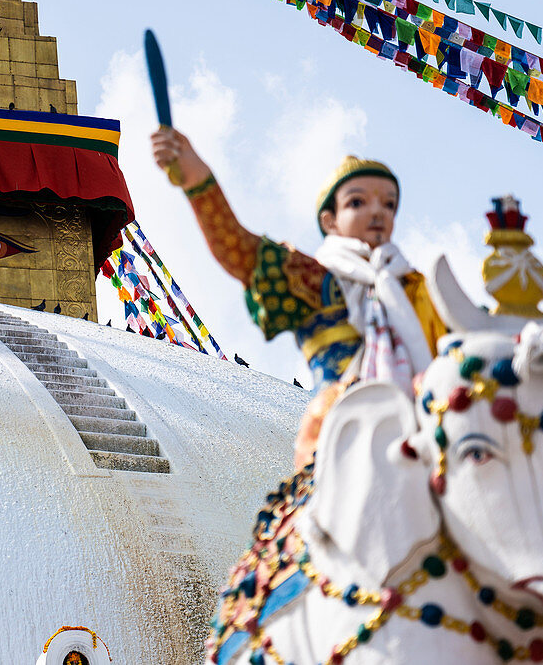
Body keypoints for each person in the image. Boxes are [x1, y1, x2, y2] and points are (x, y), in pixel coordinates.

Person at [151, 128, 447, 468]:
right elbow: (240, 250)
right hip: (338, 430)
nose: (377, 212)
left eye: (388, 204)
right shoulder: (313, 277)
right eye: (357, 202)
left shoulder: (418, 290)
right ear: (330, 220)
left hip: (423, 426)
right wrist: (198, 180)